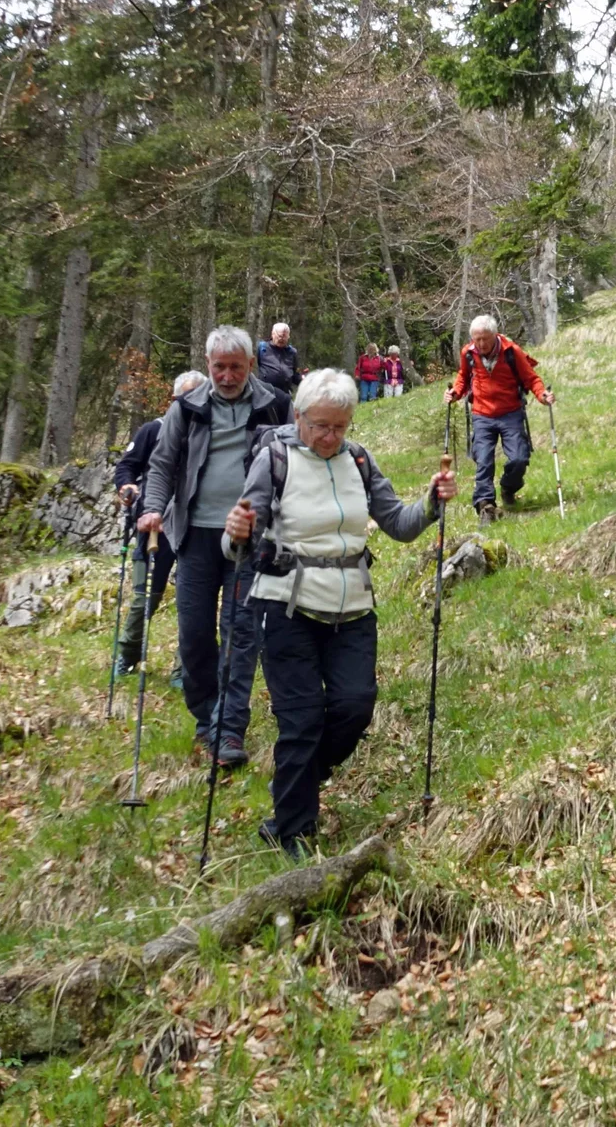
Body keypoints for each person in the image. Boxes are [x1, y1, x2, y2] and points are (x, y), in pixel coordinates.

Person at [224, 369, 456, 857]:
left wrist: (432, 503)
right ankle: (293, 831)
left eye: (340, 426)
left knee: (355, 706)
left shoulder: (358, 460)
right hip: (285, 604)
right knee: (302, 719)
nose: (330, 437)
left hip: (352, 607)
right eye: (321, 426)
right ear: (299, 417)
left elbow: (397, 522)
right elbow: (239, 539)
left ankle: (302, 781)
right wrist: (237, 533)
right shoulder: (274, 459)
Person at [137, 327, 292, 766]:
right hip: (195, 537)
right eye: (219, 367)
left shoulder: (275, 405)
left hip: (249, 537)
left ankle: (229, 730)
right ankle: (206, 716)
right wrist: (152, 508)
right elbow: (162, 464)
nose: (227, 376)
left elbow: (293, 459)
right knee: (195, 636)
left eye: (235, 367)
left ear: (251, 365)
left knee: (242, 635)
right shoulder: (185, 408)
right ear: (208, 365)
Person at [113, 370, 206, 671]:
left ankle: (186, 668)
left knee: (193, 603)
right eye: (186, 398)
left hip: (195, 526)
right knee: (144, 594)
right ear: (174, 400)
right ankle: (127, 655)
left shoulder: (210, 436)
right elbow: (127, 466)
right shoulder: (153, 430)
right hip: (154, 526)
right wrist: (128, 487)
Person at [446, 314, 553, 527]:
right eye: (477, 339)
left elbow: (531, 378)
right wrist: (455, 393)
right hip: (482, 414)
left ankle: (508, 487)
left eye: (485, 338)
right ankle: (485, 506)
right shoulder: (468, 353)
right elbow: (462, 377)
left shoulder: (512, 351)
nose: (481, 344)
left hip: (510, 413)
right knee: (484, 460)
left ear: (495, 335)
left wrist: (542, 396)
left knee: (519, 459)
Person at [256, 322, 301, 395]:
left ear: (288, 336)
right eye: (279, 336)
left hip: (285, 395)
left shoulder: (292, 352)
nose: (281, 339)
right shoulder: (262, 348)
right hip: (264, 394)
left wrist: (305, 380)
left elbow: (295, 375)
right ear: (273, 334)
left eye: (284, 337)